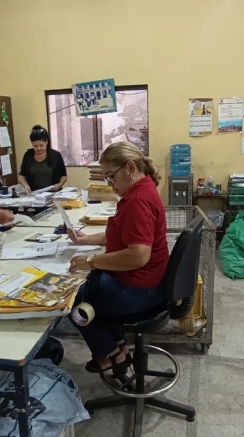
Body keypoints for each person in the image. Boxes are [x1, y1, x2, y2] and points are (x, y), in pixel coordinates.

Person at [66, 142, 169, 374]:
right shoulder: (142, 189)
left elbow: (138, 255)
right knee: (92, 285)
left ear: (130, 168)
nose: (110, 184)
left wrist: (91, 261)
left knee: (73, 304)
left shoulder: (137, 201)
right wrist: (86, 240)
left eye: (111, 176)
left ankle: (109, 354)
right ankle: (118, 347)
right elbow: (122, 236)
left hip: (141, 288)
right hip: (149, 281)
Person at [17, 125, 67, 193]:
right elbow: (21, 175)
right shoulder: (28, 155)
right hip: (34, 194)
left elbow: (63, 175)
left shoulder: (56, 155)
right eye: (35, 146)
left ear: (46, 142)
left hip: (53, 194)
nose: (39, 148)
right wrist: (26, 185)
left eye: (41, 145)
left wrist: (60, 185)